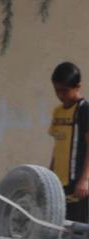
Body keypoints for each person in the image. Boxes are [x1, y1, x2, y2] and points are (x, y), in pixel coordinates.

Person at [49, 61, 89, 223]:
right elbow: (57, 146)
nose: (60, 95)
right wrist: (49, 174)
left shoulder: (84, 110)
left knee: (79, 231)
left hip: (79, 185)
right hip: (59, 184)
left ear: (77, 87)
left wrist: (85, 180)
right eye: (57, 91)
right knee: (58, 227)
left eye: (64, 91)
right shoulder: (57, 112)